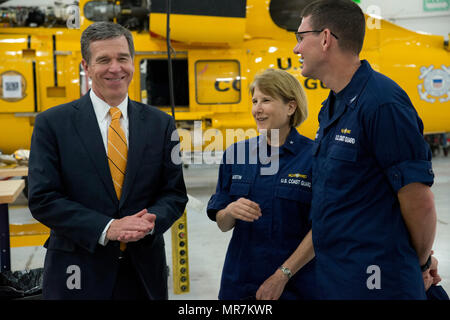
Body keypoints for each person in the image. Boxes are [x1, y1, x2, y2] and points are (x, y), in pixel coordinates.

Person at [28, 21, 188, 300]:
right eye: (103, 60)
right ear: (86, 66)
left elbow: (173, 194)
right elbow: (43, 198)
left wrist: (150, 222)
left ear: (133, 62)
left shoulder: (161, 124)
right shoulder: (52, 124)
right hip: (78, 270)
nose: (115, 68)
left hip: (144, 272)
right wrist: (108, 228)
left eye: (122, 58)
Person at [292, 0, 437, 299]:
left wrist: (419, 263)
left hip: (380, 282)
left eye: (300, 37)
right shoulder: (332, 106)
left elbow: (418, 200)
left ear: (325, 38)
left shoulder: (382, 104)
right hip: (339, 275)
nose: (296, 49)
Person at [207, 68, 316, 300]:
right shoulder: (236, 154)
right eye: (255, 101)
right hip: (239, 285)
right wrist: (230, 211)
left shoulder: (315, 157)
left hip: (296, 286)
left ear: (291, 107)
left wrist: (282, 275)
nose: (257, 108)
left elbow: (323, 228)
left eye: (266, 100)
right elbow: (223, 224)